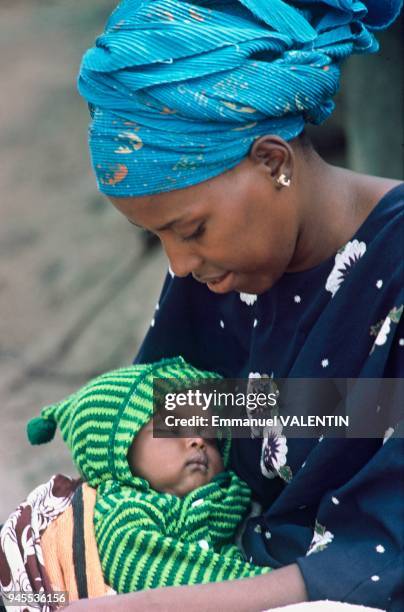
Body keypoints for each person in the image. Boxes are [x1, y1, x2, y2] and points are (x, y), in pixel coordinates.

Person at [73, 0, 403, 610]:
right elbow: (182, 419)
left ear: (272, 161)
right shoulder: (222, 271)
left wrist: (148, 606)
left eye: (191, 230)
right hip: (229, 560)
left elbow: (383, 551)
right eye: (158, 240)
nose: (178, 265)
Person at [1, 358, 270, 602]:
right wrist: (272, 587)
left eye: (209, 437)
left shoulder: (231, 498)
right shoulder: (124, 511)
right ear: (119, 449)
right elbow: (170, 576)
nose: (197, 441)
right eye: (173, 429)